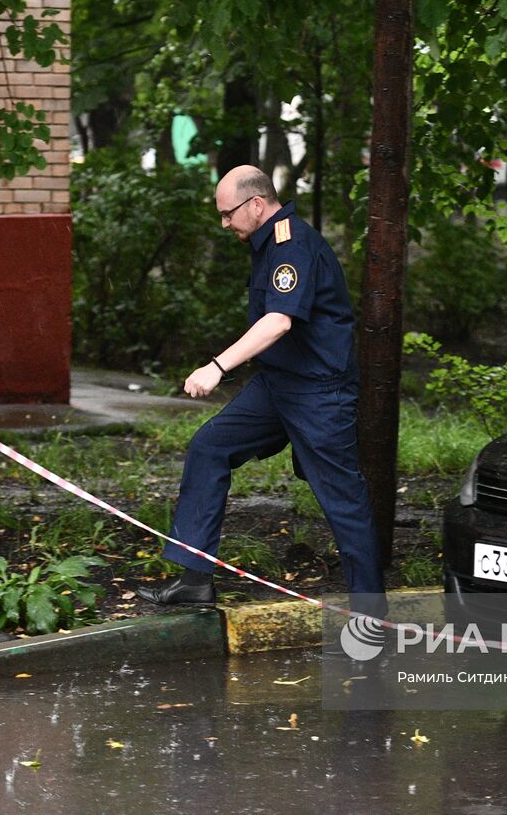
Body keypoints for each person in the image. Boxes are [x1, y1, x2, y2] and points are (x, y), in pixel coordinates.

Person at [138, 166, 386, 618]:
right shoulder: (266, 243)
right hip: (278, 385)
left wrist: (216, 367)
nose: (224, 223)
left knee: (343, 500)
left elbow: (279, 320)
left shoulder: (292, 246)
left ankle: (369, 616)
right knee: (209, 447)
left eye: (228, 213)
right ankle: (194, 581)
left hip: (319, 393)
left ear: (256, 204)